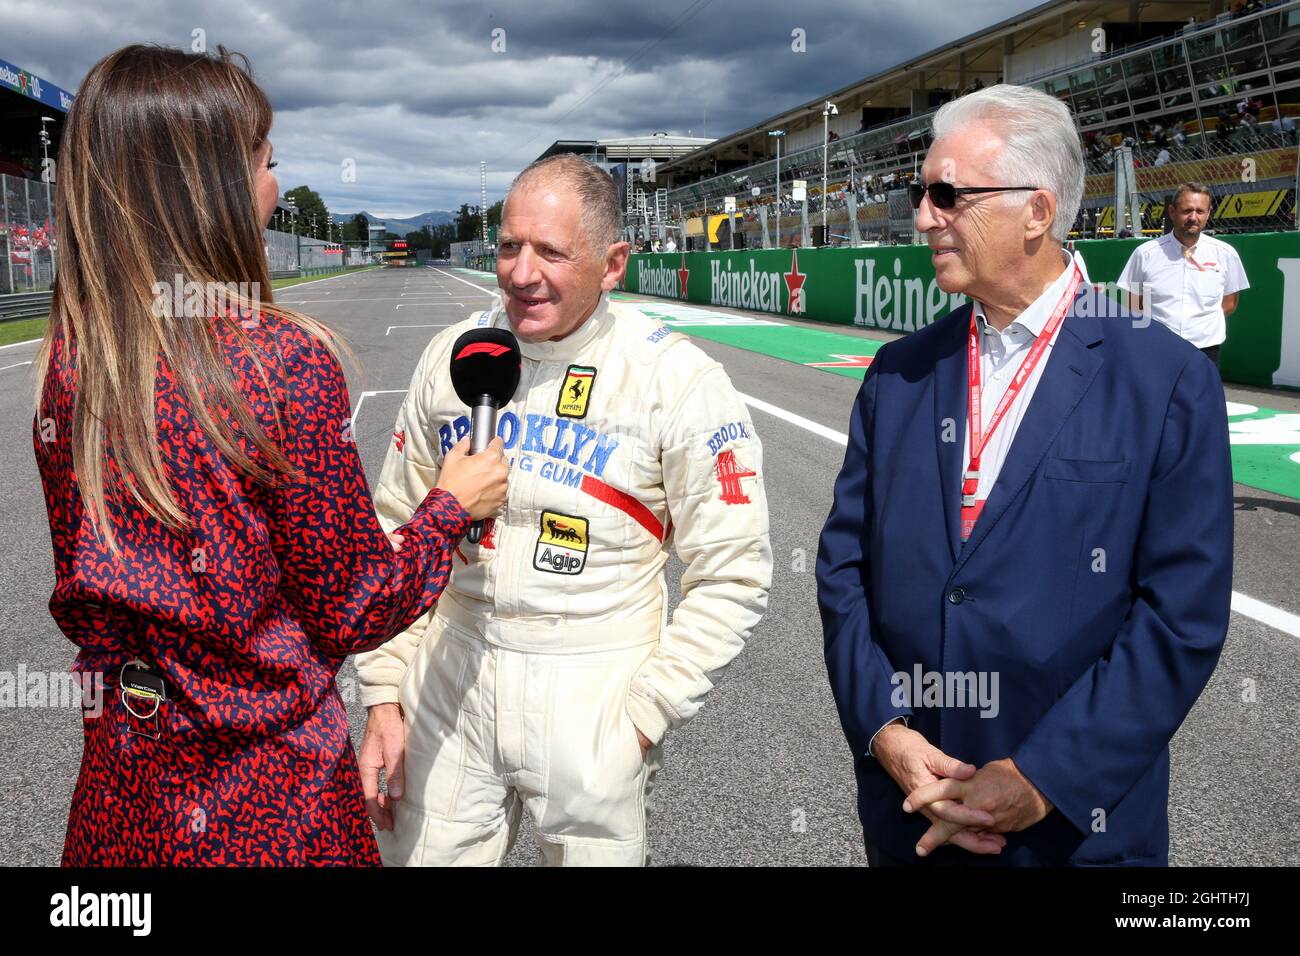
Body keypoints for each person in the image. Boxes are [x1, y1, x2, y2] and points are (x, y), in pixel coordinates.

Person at [32, 45, 508, 867]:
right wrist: (449, 506)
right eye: (266, 161)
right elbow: (354, 607)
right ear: (210, 188)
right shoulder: (279, 360)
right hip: (268, 794)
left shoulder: (72, 362)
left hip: (123, 786)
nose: (273, 186)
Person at [817, 84, 1233, 867]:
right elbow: (844, 568)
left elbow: (1182, 616)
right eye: (921, 193)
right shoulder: (899, 372)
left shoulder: (1165, 377)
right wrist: (886, 730)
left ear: (1037, 212)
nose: (923, 216)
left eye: (947, 195)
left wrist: (1044, 776)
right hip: (914, 808)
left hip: (1076, 829)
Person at [356, 154, 772, 866]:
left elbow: (734, 571)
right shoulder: (451, 356)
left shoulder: (675, 380)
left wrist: (643, 717)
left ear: (612, 265)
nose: (521, 273)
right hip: (451, 669)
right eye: (510, 246)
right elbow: (392, 526)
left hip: (595, 683)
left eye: (551, 251)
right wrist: (384, 694)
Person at [1118, 182, 1249, 370]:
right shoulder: (1146, 254)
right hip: (1157, 349)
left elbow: (1229, 304)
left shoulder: (1226, 254)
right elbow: (1132, 304)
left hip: (1205, 353)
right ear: (1172, 212)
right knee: (1155, 400)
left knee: (1201, 400)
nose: (1193, 217)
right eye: (1187, 210)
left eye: (1200, 211)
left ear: (1208, 214)